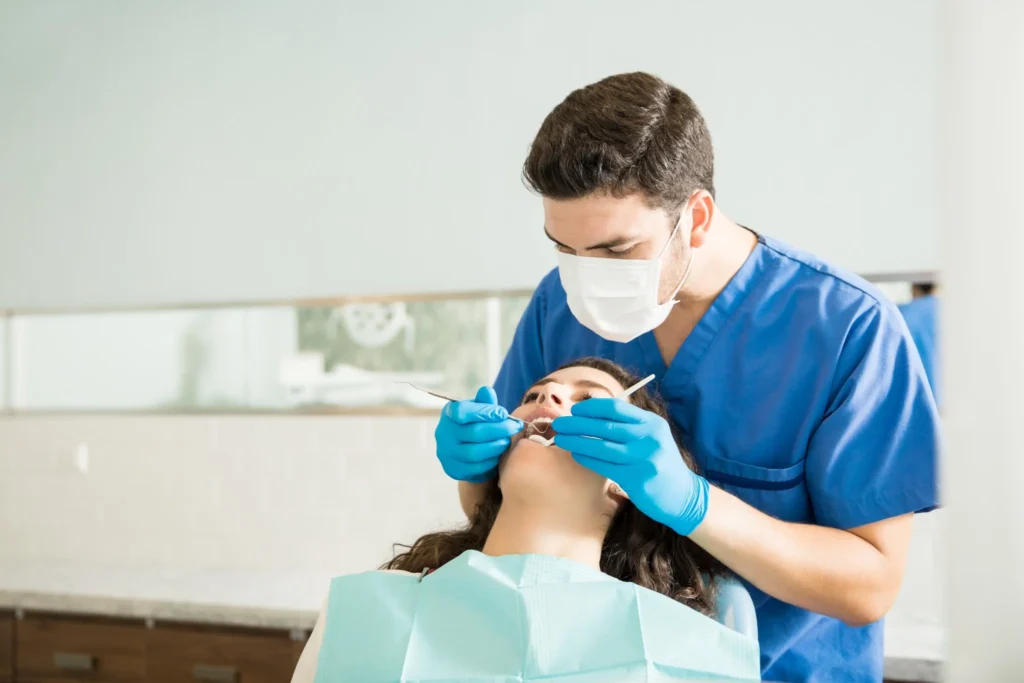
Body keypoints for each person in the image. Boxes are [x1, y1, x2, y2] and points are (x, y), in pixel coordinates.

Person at [434, 72, 939, 683]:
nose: (585, 277)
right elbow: (501, 504)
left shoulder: (846, 329)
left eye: (616, 251)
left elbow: (869, 586)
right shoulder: (556, 306)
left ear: (695, 217)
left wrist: (695, 504)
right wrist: (476, 467)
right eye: (564, 248)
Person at [291, 358, 760, 682]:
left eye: (587, 398)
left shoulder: (678, 648)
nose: (548, 393)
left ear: (623, 478)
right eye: (534, 393)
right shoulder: (367, 611)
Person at [898, 282, 940, 406]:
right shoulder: (953, 312)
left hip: (918, 395)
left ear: (914, 289)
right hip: (950, 394)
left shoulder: (901, 312)